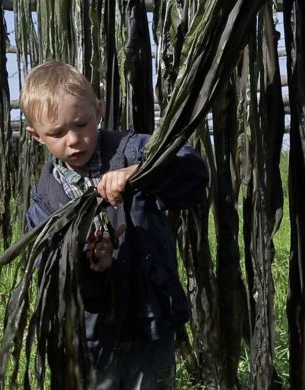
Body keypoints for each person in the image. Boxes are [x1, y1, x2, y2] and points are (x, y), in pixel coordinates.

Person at [21, 61, 209, 389]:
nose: (73, 140)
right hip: (90, 338)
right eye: (57, 133)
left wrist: (141, 171)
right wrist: (86, 259)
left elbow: (193, 172)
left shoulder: (132, 149)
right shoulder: (45, 198)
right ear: (36, 136)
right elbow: (43, 262)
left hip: (150, 321)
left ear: (98, 110)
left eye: (81, 124)